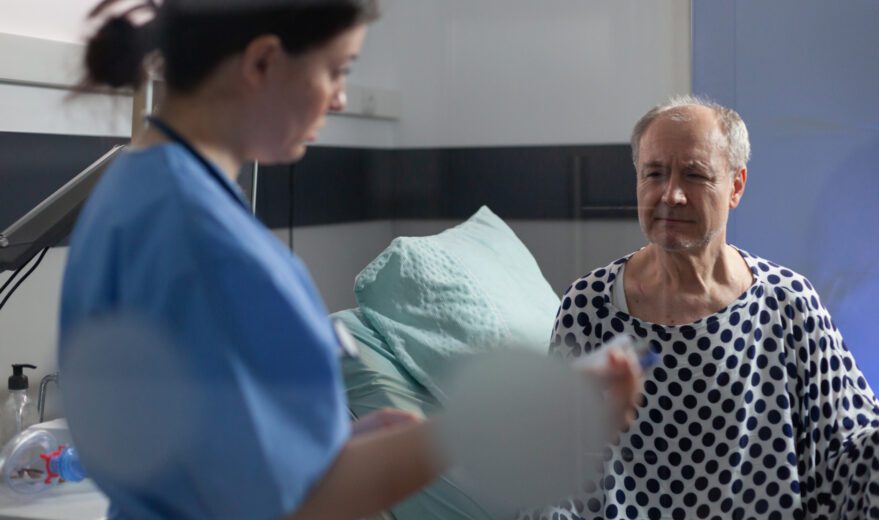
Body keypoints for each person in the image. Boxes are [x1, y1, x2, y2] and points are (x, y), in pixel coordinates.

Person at [59, 1, 640, 519]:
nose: (340, 98)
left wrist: (336, 442)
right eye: (337, 70)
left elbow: (210, 444)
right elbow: (315, 500)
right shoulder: (216, 248)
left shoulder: (126, 193)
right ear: (262, 62)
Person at [531, 96, 879, 519]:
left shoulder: (787, 306)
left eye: (695, 175)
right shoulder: (589, 306)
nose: (671, 195)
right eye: (654, 174)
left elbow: (851, 469)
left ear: (736, 186)